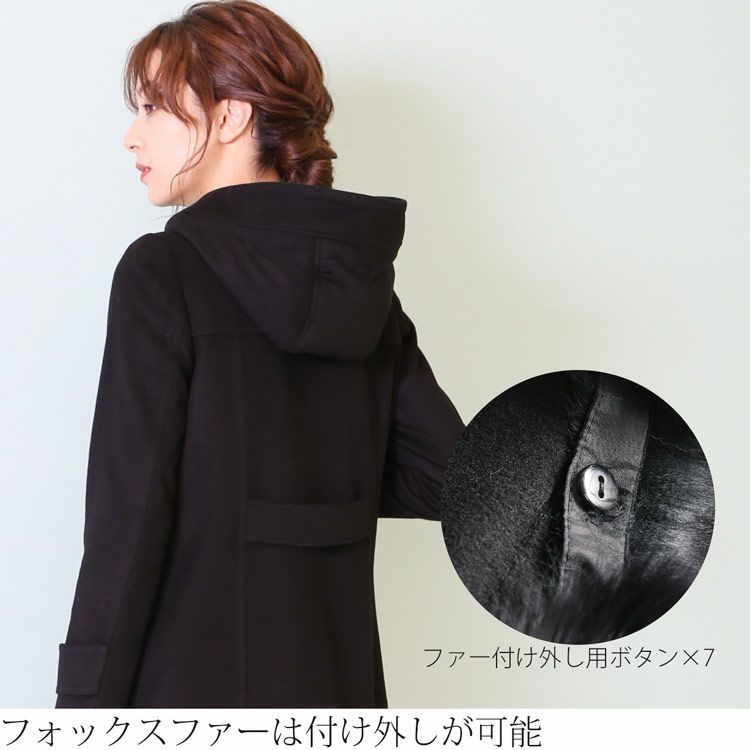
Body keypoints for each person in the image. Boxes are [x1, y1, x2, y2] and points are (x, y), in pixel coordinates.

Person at [55, 0, 465, 708]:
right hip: (337, 694)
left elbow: (128, 521)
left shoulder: (164, 272)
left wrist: (83, 708)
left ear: (231, 116)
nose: (131, 135)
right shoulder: (361, 288)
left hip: (188, 694)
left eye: (152, 107)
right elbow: (455, 482)